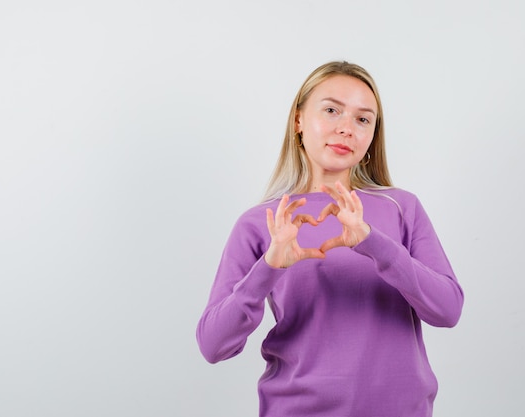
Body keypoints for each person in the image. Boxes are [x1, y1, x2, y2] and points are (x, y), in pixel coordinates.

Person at [196, 60, 464, 417]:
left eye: (362, 119)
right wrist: (270, 265)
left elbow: (448, 310)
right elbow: (213, 345)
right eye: (331, 110)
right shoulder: (262, 223)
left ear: (372, 137)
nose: (346, 128)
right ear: (299, 121)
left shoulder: (402, 208)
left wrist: (373, 243)